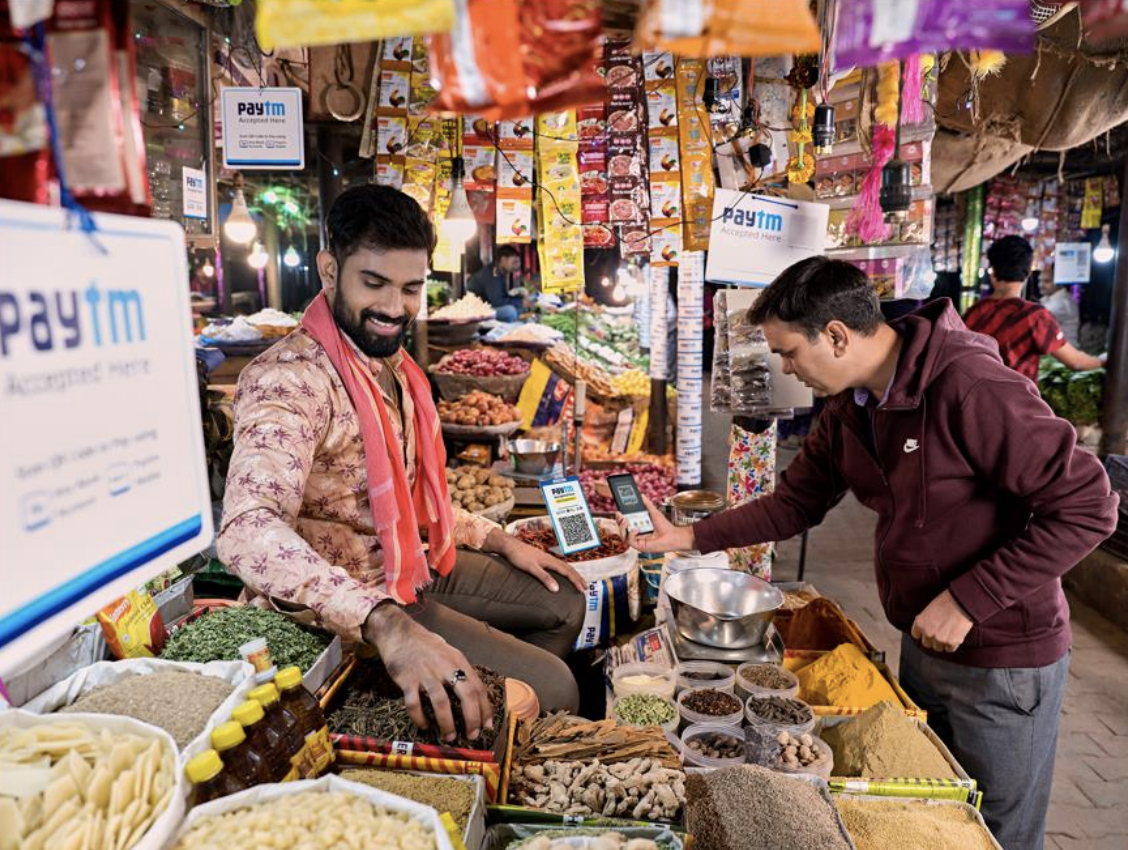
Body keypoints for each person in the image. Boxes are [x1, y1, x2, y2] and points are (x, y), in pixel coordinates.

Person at [624, 256, 1117, 850]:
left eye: (788, 353)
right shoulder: (851, 407)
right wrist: (690, 537)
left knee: (998, 833)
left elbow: (1090, 505)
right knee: (930, 821)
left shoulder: (971, 386)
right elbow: (794, 504)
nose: (785, 368)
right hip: (926, 640)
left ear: (835, 334)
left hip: (1006, 658)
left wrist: (967, 601)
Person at [217, 185, 586, 742]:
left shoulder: (391, 365)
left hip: (410, 565)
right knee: (557, 687)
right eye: (374, 283)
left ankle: (477, 713)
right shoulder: (289, 380)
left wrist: (496, 539)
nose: (394, 307)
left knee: (567, 601)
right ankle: (470, 720)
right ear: (328, 269)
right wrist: (386, 625)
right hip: (352, 604)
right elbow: (247, 528)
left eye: (411, 288)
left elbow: (412, 497)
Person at [963, 235, 1102, 380]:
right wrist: (1104, 361)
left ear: (992, 271)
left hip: (974, 399)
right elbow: (1077, 363)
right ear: (1028, 272)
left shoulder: (973, 313)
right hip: (1017, 400)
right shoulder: (1035, 317)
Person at [467, 244, 524, 321]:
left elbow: (503, 297)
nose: (516, 266)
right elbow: (497, 301)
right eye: (514, 262)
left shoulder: (498, 272)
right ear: (503, 260)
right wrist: (520, 302)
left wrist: (520, 299)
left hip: (488, 307)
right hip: (475, 310)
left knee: (520, 308)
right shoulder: (492, 273)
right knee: (510, 311)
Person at [1039, 265, 1081, 346]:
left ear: (1060, 282)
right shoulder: (1048, 299)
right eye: (1040, 281)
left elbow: (1036, 319)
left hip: (1066, 352)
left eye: (1046, 281)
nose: (1041, 285)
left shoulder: (1063, 303)